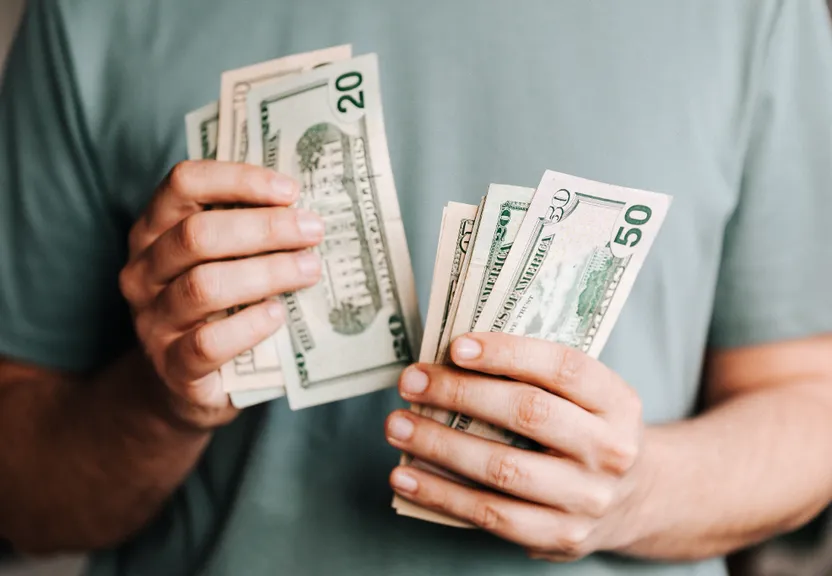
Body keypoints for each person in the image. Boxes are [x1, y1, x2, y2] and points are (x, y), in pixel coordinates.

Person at [1, 1, 831, 575]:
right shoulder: (90, 13)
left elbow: (806, 400)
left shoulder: (753, 13)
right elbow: (21, 493)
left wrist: (638, 493)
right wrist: (159, 401)